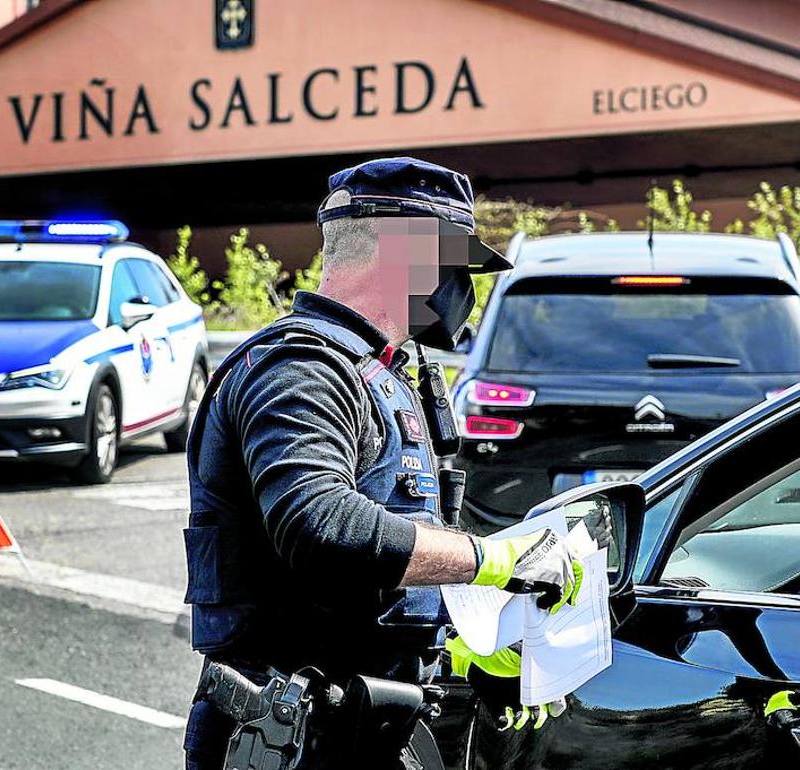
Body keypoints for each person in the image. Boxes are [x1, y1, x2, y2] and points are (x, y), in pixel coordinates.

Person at [182, 157, 587, 769]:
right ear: (405, 254)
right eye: (455, 264)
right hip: (288, 736)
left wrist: (467, 640)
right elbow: (318, 526)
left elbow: (394, 556)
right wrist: (492, 562)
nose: (462, 289)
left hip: (370, 722)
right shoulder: (300, 372)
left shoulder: (394, 373)